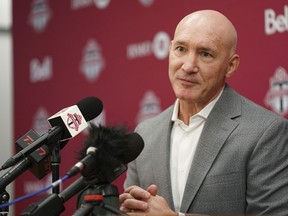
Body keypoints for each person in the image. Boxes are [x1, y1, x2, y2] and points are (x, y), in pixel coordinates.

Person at [119, 9, 288, 216]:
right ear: (170, 50)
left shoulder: (266, 132)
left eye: (205, 54)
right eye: (181, 49)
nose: (188, 66)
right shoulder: (144, 134)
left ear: (231, 66)